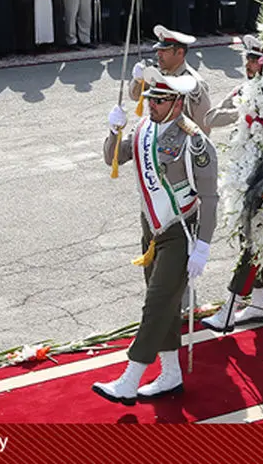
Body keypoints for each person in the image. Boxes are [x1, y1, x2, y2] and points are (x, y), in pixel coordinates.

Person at [96, 67, 218, 403]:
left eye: (160, 100)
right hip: (151, 230)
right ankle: (170, 374)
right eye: (150, 98)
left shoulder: (193, 141)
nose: (152, 105)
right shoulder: (144, 129)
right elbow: (113, 159)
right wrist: (113, 130)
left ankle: (130, 379)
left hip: (182, 232)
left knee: (156, 304)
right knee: (163, 306)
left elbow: (209, 197)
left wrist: (204, 246)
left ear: (178, 103)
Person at [130, 25, 212, 129]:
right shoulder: (157, 73)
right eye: (158, 50)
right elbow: (135, 96)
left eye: (164, 50)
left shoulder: (193, 84)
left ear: (179, 53)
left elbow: (203, 125)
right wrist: (137, 80)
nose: (158, 54)